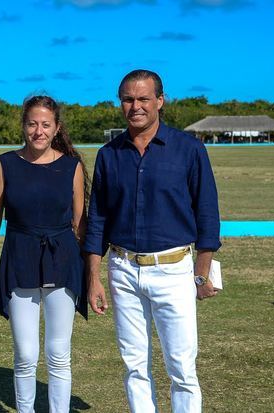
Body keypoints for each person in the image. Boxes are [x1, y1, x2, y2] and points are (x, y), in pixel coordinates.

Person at [84, 69, 221, 413]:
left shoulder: (189, 149)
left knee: (181, 367)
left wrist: (201, 274)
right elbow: (98, 218)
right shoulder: (108, 154)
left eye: (144, 98)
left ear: (160, 101)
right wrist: (94, 277)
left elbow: (206, 212)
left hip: (174, 270)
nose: (136, 106)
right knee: (134, 365)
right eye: (128, 99)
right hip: (123, 269)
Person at [0, 95, 88, 412]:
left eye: (45, 124)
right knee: (26, 354)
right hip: (19, 261)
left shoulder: (72, 167)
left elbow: (80, 224)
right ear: (23, 126)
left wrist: (90, 274)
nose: (38, 131)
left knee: (59, 353)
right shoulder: (6, 164)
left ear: (56, 128)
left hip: (63, 262)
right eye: (32, 124)